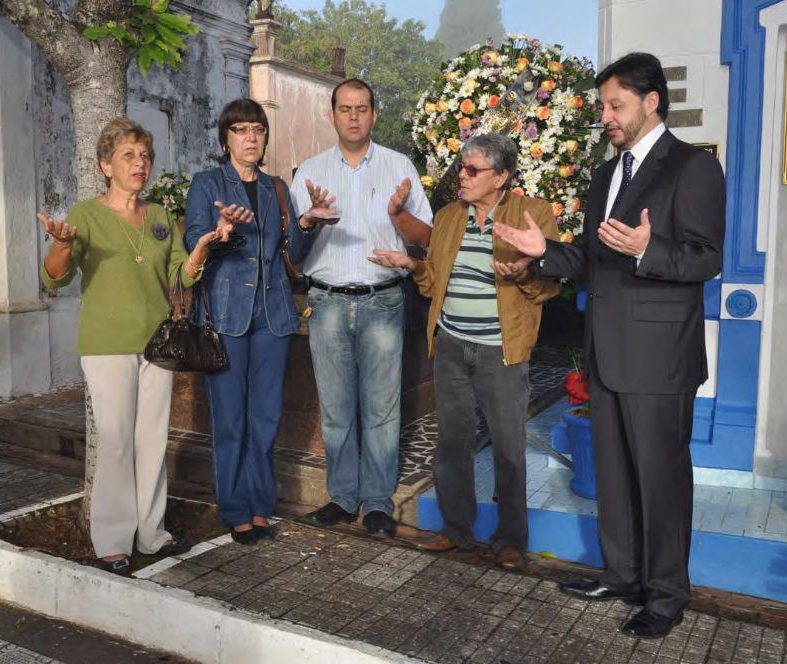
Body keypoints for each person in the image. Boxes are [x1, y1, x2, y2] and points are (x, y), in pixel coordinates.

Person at [494, 52, 726, 638]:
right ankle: (621, 574)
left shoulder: (692, 168)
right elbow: (596, 262)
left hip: (659, 360)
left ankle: (667, 594)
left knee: (661, 480)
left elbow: (707, 258)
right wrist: (542, 247)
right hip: (606, 353)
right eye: (602, 105)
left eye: (614, 105)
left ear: (651, 102)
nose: (605, 116)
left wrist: (649, 250)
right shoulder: (606, 175)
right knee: (615, 476)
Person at [39, 118, 228, 576]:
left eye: (144, 155)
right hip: (106, 346)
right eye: (128, 155)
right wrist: (62, 245)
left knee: (151, 440)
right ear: (106, 165)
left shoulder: (161, 217)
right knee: (117, 442)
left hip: (157, 345)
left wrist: (202, 248)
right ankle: (112, 541)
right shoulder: (86, 215)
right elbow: (54, 276)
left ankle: (152, 532)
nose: (139, 163)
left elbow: (180, 276)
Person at [369, 134, 559, 570]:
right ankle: (457, 531)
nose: (462, 176)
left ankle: (511, 538)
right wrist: (411, 266)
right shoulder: (449, 217)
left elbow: (549, 286)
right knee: (452, 443)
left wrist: (521, 274)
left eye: (473, 170)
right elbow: (434, 280)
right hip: (452, 344)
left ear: (503, 177)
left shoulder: (533, 214)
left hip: (501, 349)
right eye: (461, 167)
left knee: (508, 446)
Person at [290, 78, 434, 537]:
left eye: (363, 108)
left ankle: (376, 502)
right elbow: (294, 250)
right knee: (334, 409)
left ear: (374, 115)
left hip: (383, 302)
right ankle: (341, 497)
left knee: (381, 410)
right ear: (331, 116)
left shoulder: (399, 167)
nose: (353, 116)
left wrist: (397, 214)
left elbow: (424, 238)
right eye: (345, 108)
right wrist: (309, 219)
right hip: (328, 302)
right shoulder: (309, 172)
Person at [184, 99, 327, 545]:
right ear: (225, 138)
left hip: (274, 316)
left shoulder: (275, 187)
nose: (251, 137)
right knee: (230, 419)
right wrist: (220, 233)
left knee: (265, 417)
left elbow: (293, 253)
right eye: (241, 129)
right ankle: (235, 508)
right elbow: (194, 242)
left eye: (258, 130)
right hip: (225, 315)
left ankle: (261, 505)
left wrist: (307, 222)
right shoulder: (207, 184)